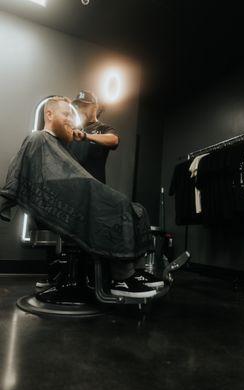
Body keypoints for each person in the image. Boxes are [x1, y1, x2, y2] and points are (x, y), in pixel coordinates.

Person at [0, 96, 163, 298]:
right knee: (119, 205)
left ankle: (133, 273)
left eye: (72, 114)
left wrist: (71, 122)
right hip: (65, 205)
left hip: (80, 199)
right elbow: (25, 175)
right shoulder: (38, 139)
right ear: (49, 114)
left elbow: (112, 141)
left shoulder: (77, 138)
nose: (71, 118)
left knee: (135, 209)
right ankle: (121, 278)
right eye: (66, 114)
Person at [69, 90, 119, 184]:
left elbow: (114, 140)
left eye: (84, 106)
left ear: (95, 107)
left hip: (94, 187)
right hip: (73, 186)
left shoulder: (103, 128)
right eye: (78, 106)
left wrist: (86, 136)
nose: (80, 109)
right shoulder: (73, 129)